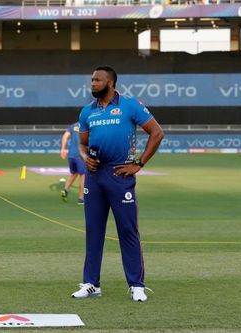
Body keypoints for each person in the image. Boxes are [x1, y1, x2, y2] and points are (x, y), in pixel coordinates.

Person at [71, 66, 164, 302]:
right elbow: (82, 144)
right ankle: (91, 283)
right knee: (93, 232)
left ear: (110, 83)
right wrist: (85, 158)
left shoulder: (130, 105)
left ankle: (136, 285)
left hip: (120, 175)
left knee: (128, 231)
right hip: (95, 177)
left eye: (97, 80)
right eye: (91, 79)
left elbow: (157, 133)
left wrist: (139, 163)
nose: (92, 83)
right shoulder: (87, 112)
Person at [60, 122, 86, 205]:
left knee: (74, 173)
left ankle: (66, 190)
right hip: (81, 155)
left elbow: (65, 136)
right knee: (83, 176)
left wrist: (63, 149)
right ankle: (81, 198)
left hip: (71, 155)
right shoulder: (88, 125)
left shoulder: (74, 126)